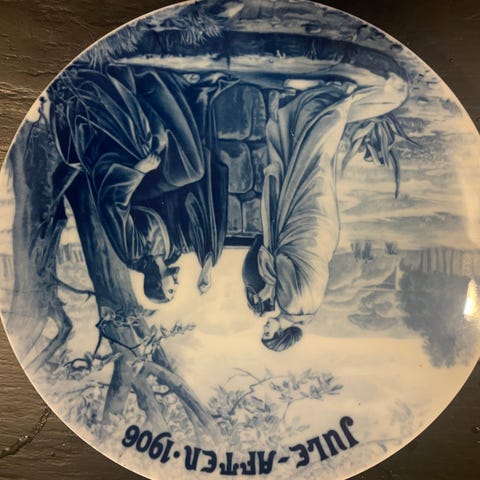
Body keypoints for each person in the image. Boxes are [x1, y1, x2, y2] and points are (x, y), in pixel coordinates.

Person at [243, 71, 408, 351]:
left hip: (322, 232)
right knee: (311, 161)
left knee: (316, 167)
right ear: (281, 333)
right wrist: (269, 284)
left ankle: (316, 100)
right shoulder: (289, 303)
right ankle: (331, 98)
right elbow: (282, 260)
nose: (265, 327)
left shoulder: (310, 310)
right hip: (303, 227)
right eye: (268, 333)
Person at [50, 64, 233, 302]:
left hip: (134, 186)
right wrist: (206, 267)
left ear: (156, 284)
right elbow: (196, 230)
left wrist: (138, 170)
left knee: (190, 170)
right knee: (195, 171)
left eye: (170, 290)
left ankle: (153, 88)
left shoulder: (133, 254)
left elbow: (112, 206)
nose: (176, 285)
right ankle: (197, 96)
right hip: (157, 187)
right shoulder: (172, 253)